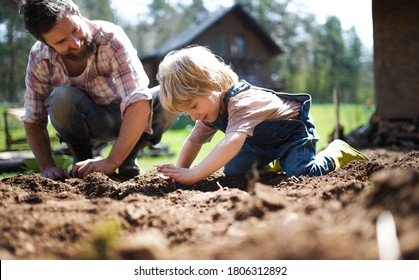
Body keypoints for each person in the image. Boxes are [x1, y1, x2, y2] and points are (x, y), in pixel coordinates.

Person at [156, 45, 369, 185]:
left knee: (303, 173)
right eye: (186, 113)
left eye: (193, 106)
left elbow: (231, 143)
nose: (193, 116)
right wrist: (178, 172)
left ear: (212, 85)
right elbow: (194, 141)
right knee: (235, 173)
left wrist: (194, 174)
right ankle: (274, 159)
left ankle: (337, 151)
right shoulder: (209, 110)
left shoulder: (242, 102)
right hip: (257, 143)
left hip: (292, 133)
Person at [19, 0, 178, 180]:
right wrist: (47, 166)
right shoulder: (40, 58)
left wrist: (111, 162)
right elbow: (33, 119)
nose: (76, 43)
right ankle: (83, 159)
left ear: (78, 14)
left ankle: (128, 158)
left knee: (171, 94)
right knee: (61, 98)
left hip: (130, 117)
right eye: (62, 41)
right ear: (46, 43)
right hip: (91, 122)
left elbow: (138, 100)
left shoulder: (110, 38)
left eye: (75, 29)